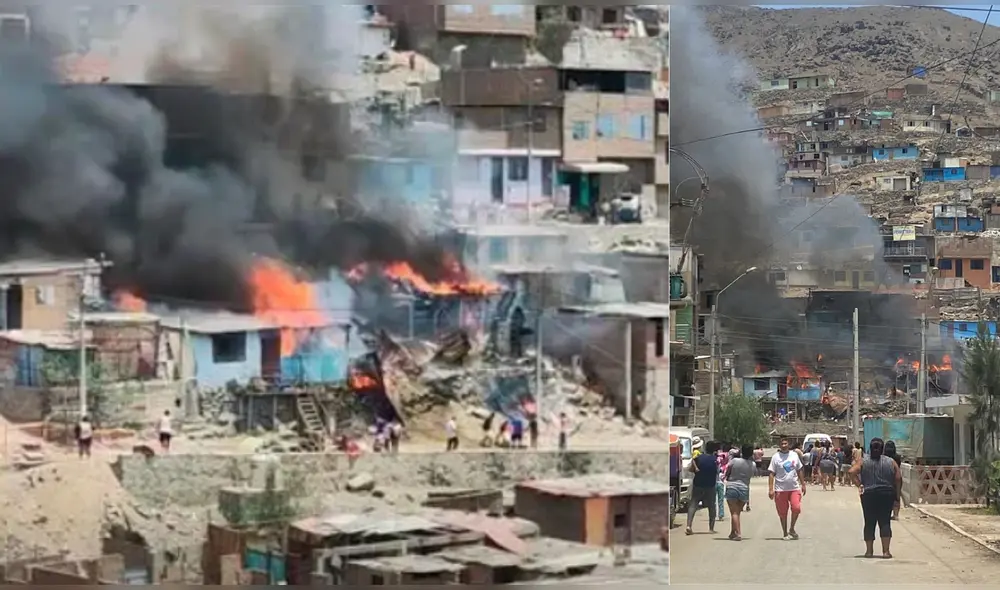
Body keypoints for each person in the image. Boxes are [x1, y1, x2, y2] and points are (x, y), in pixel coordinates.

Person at [849, 437, 902, 559]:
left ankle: (869, 551)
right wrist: (897, 496)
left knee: (869, 522)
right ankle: (886, 552)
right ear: (882, 448)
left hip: (869, 494)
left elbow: (851, 472)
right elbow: (898, 478)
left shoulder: (863, 461)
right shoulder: (891, 462)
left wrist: (860, 485)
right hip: (886, 494)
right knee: (885, 522)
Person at [768, 438, 806, 541]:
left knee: (796, 508)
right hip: (780, 489)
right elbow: (771, 473)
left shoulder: (794, 455)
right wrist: (771, 489)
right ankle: (785, 532)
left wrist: (803, 483)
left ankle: (792, 529)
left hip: (794, 487)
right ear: (779, 445)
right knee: (783, 512)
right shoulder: (775, 457)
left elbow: (799, 469)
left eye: (785, 443)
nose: (784, 445)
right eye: (782, 443)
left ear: (788, 444)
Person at [686, 440, 720, 536]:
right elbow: (717, 471)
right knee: (711, 506)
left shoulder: (699, 458)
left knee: (693, 504)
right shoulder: (715, 459)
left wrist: (697, 470)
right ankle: (711, 528)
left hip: (698, 483)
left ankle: (689, 526)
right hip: (710, 485)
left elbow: (690, 469)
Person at [725, 444, 755, 540]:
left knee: (734, 512)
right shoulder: (753, 464)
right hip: (744, 488)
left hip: (732, 486)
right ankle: (732, 532)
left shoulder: (734, 461)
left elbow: (727, 472)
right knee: (737, 512)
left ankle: (738, 533)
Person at [885, 440, 903, 520]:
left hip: (886, 478)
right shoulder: (897, 457)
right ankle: (896, 514)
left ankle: (887, 513)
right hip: (896, 477)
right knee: (896, 496)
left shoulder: (883, 456)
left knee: (887, 496)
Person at [716, 446, 729, 519]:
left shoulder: (716, 463)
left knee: (714, 500)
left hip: (715, 483)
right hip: (720, 483)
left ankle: (715, 514)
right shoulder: (724, 466)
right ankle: (720, 514)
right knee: (720, 500)